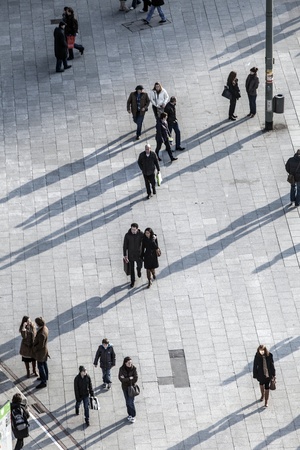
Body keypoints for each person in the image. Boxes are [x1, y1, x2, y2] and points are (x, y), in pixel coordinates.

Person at [123, 223, 144, 288]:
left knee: (140, 265)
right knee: (131, 269)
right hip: (131, 255)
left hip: (138, 254)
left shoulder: (141, 234)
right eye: (132, 229)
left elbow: (145, 239)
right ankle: (132, 281)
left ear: (137, 229)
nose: (133, 231)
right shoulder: (127, 235)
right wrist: (125, 255)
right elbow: (125, 246)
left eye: (134, 230)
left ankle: (138, 270)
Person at [118, 357, 138, 423]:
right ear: (125, 363)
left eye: (131, 363)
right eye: (129, 363)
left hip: (131, 388)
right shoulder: (121, 369)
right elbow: (121, 379)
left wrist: (126, 379)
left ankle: (133, 415)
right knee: (127, 402)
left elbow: (135, 378)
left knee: (130, 402)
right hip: (125, 388)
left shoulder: (134, 369)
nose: (130, 364)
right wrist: (129, 378)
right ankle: (129, 414)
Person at [32, 317, 49, 389]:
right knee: (44, 364)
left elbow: (40, 345)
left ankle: (43, 381)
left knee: (41, 366)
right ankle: (45, 377)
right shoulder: (45, 328)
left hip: (41, 353)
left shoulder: (42, 333)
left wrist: (34, 348)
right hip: (44, 351)